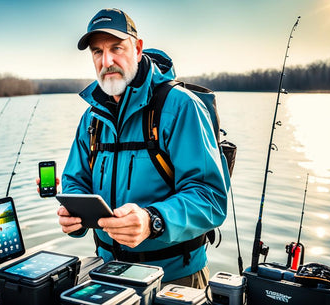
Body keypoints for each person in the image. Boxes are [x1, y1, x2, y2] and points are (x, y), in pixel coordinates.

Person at [58, 8, 229, 288]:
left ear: (137, 49)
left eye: (117, 48)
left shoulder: (181, 106)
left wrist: (152, 220)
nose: (107, 60)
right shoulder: (91, 118)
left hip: (175, 279)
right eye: (97, 52)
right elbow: (75, 181)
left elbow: (210, 198)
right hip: (106, 274)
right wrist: (74, 217)